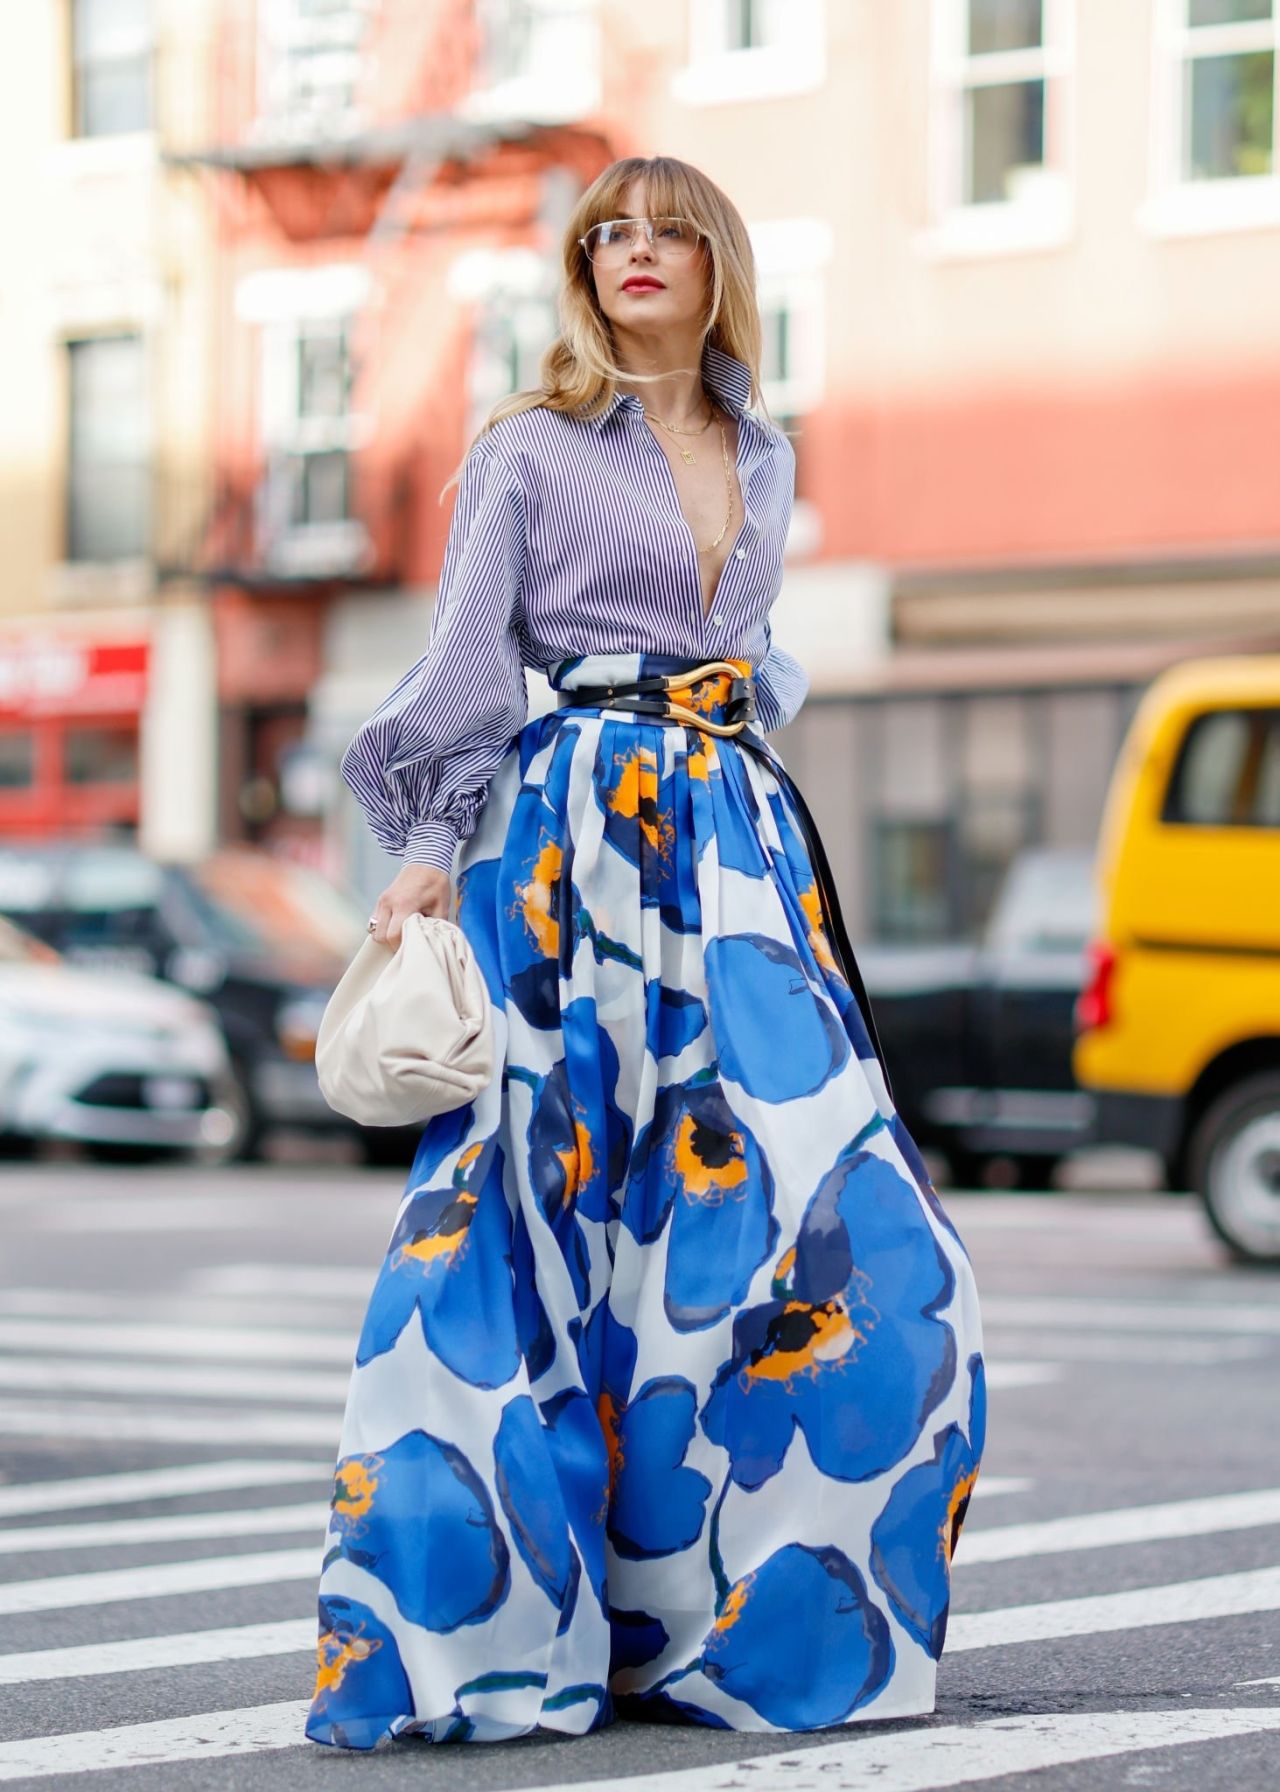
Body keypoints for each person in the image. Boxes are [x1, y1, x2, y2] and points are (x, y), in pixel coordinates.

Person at [306, 155, 985, 1752]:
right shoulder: (527, 453)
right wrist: (421, 858)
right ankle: (485, 1628)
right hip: (569, 848)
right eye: (607, 233)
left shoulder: (764, 446)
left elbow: (749, 657)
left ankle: (726, 1619)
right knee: (539, 1225)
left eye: (666, 230)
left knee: (828, 1207)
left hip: (732, 851)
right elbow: (468, 664)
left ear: (716, 260)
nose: (633, 253)